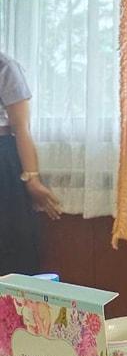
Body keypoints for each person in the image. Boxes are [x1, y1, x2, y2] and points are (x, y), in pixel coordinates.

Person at [0, 51, 62, 276]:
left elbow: (21, 128)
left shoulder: (5, 66)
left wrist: (32, 179)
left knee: (10, 245)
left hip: (3, 162)